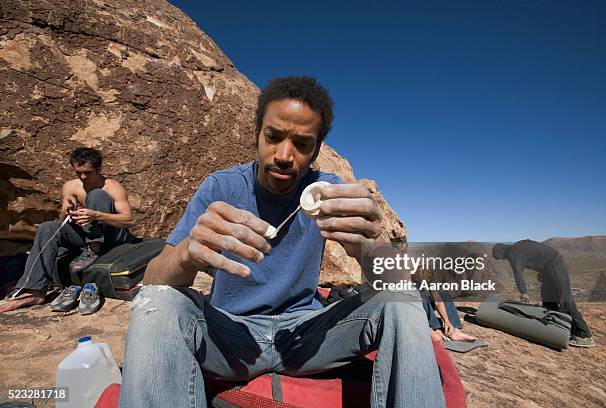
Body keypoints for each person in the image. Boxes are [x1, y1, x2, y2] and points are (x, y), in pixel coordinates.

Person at [120, 76, 445, 408]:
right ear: (257, 134)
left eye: (302, 144)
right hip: (233, 335)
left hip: (306, 336)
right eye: (273, 137)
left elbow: (396, 282)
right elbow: (153, 280)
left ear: (317, 149)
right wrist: (188, 253)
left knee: (401, 297)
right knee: (156, 301)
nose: (285, 155)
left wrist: (370, 243)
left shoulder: (327, 193)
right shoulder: (221, 189)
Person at [0, 148, 135, 314]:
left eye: (88, 172)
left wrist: (96, 215)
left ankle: (93, 248)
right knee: (47, 227)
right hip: (90, 231)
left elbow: (129, 220)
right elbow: (63, 218)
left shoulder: (112, 187)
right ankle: (34, 290)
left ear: (99, 169)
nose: (83, 177)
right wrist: (68, 210)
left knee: (97, 195)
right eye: (79, 173)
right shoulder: (71, 186)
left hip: (114, 234)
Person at [492, 240, 595, 348]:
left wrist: (523, 292)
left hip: (556, 266)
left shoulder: (513, 252)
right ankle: (559, 328)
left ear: (502, 252)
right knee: (547, 299)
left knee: (565, 300)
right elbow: (538, 254)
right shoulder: (517, 247)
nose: (504, 259)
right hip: (549, 269)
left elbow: (518, 273)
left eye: (502, 258)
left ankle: (585, 336)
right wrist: (542, 272)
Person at [414, 269, 478, 343]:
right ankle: (436, 328)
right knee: (422, 295)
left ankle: (455, 331)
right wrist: (430, 331)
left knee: (444, 295)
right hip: (414, 307)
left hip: (424, 305)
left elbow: (438, 300)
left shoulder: (427, 274)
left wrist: (446, 320)